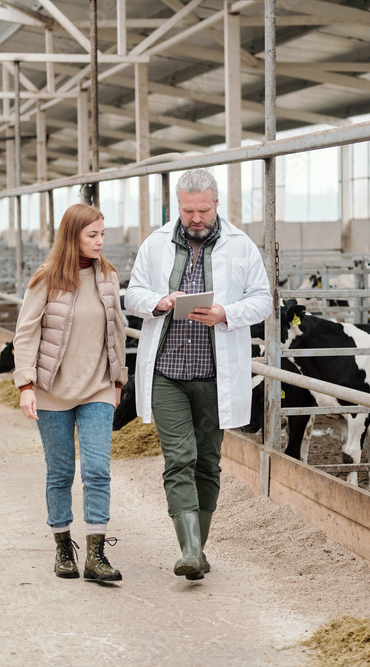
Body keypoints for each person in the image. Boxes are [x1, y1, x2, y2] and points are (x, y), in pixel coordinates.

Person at [124, 169, 272, 580]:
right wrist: (160, 301)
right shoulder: (155, 244)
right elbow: (132, 293)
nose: (195, 218)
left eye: (202, 209)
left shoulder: (241, 246)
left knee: (207, 462)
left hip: (215, 376)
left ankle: (198, 548)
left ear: (216, 204)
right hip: (167, 373)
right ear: (177, 206)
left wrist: (227, 313)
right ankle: (188, 550)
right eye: (187, 210)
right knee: (179, 459)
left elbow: (264, 301)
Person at [13, 202, 128, 583]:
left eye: (102, 235)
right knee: (60, 472)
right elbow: (26, 333)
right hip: (51, 393)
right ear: (72, 236)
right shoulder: (46, 278)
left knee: (97, 470)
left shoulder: (107, 277)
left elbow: (117, 333)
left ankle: (96, 553)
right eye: (92, 235)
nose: (99, 242)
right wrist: (25, 385)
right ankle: (63, 546)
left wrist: (117, 382)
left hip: (96, 389)